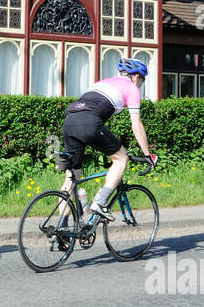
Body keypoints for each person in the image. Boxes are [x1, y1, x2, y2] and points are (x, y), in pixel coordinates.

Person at [58, 57, 158, 222]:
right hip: (89, 122)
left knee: (72, 175)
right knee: (121, 158)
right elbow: (137, 125)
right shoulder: (132, 89)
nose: (141, 84)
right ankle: (101, 203)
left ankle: (61, 228)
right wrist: (148, 154)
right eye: (142, 80)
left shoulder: (102, 82)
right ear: (135, 77)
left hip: (70, 120)